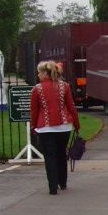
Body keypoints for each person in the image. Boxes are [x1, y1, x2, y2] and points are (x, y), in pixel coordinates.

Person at [29, 60, 81, 195]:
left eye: (39, 72)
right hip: (64, 127)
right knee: (61, 154)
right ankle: (62, 183)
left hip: (45, 128)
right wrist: (76, 124)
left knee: (50, 157)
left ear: (45, 73)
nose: (38, 75)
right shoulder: (65, 86)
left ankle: (52, 187)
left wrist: (33, 125)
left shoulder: (37, 89)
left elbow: (34, 111)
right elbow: (71, 107)